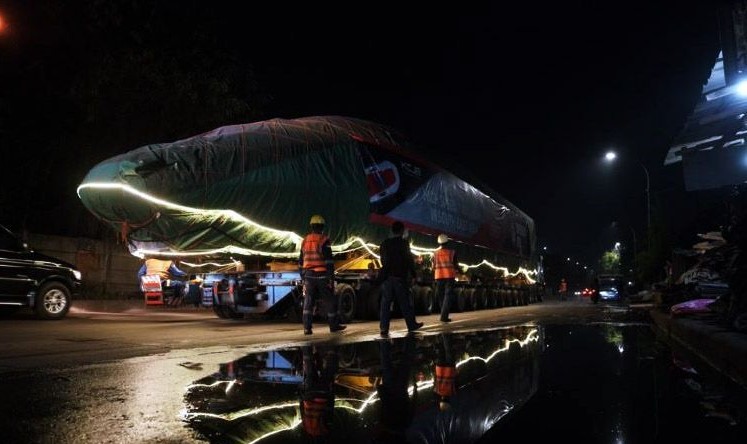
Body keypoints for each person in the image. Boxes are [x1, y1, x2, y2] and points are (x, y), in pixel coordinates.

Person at [299, 214, 345, 335]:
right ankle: (333, 326)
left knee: (308, 302)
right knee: (329, 300)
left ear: (311, 226)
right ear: (322, 227)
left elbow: (300, 260)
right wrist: (331, 277)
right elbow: (329, 261)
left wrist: (302, 276)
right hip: (322, 275)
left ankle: (307, 328)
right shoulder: (324, 240)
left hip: (308, 275)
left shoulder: (305, 240)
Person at [377, 221, 423, 337]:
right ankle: (411, 325)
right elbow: (408, 260)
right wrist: (413, 274)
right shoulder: (404, 244)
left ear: (392, 230)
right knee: (405, 303)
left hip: (387, 277)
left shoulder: (385, 243)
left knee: (385, 303)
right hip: (399, 277)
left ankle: (384, 328)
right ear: (402, 231)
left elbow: (383, 259)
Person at [373, 334, 417, 442]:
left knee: (406, 361)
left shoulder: (405, 424)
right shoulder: (387, 423)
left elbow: (413, 404)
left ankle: (410, 339)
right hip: (389, 387)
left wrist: (415, 386)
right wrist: (378, 387)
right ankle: (384, 342)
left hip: (402, 387)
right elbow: (383, 404)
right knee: (386, 363)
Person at [298, 345, 339, 439]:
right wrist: (302, 395)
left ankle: (332, 349)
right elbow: (301, 408)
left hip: (322, 395)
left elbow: (329, 408)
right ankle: (306, 348)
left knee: (329, 371)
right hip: (309, 395)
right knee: (309, 371)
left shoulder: (325, 429)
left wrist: (331, 392)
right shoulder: (306, 428)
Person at [434, 234, 459, 323]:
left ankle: (443, 315)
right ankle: (444, 316)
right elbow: (456, 265)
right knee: (448, 297)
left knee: (441, 297)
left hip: (439, 276)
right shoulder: (452, 252)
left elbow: (433, 266)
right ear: (447, 242)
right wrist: (459, 272)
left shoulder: (435, 253)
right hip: (449, 276)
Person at [434, 333, 457, 411]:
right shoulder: (436, 390)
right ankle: (439, 336)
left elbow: (456, 380)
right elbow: (435, 379)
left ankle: (446, 335)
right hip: (439, 368)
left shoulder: (452, 391)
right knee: (441, 351)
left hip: (450, 369)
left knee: (448, 350)